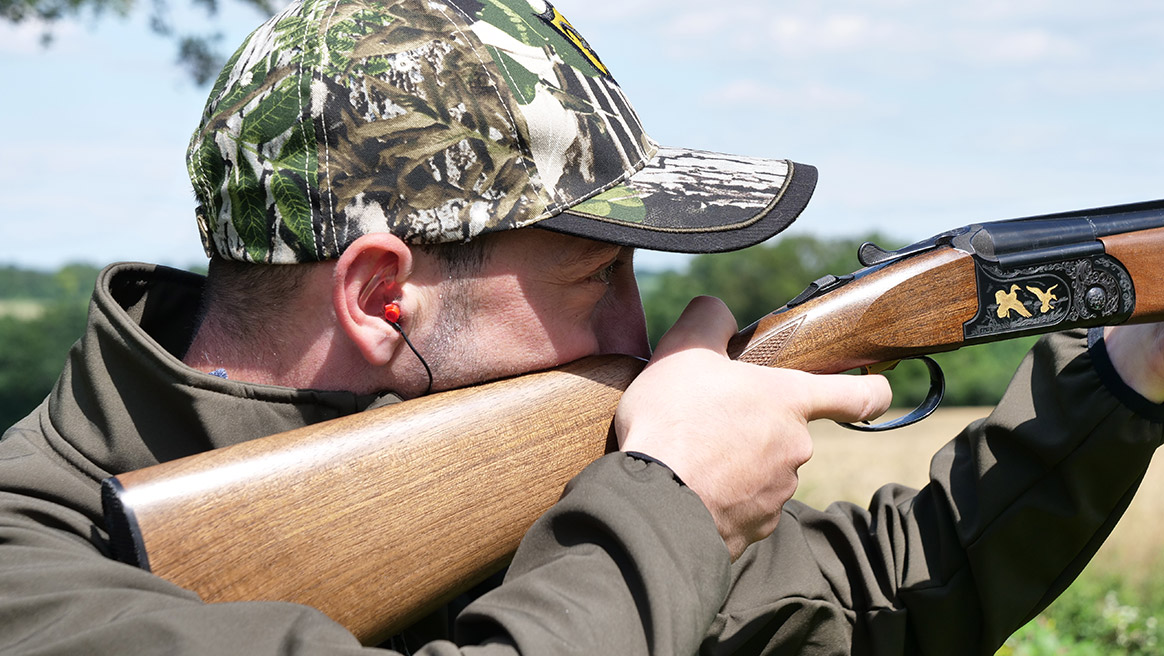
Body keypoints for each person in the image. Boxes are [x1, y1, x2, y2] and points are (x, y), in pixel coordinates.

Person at [1, 0, 1161, 654]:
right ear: (378, 296)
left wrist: (1123, 376)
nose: (641, 330)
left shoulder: (525, 483)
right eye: (598, 274)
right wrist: (670, 500)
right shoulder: (36, 568)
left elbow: (867, 605)